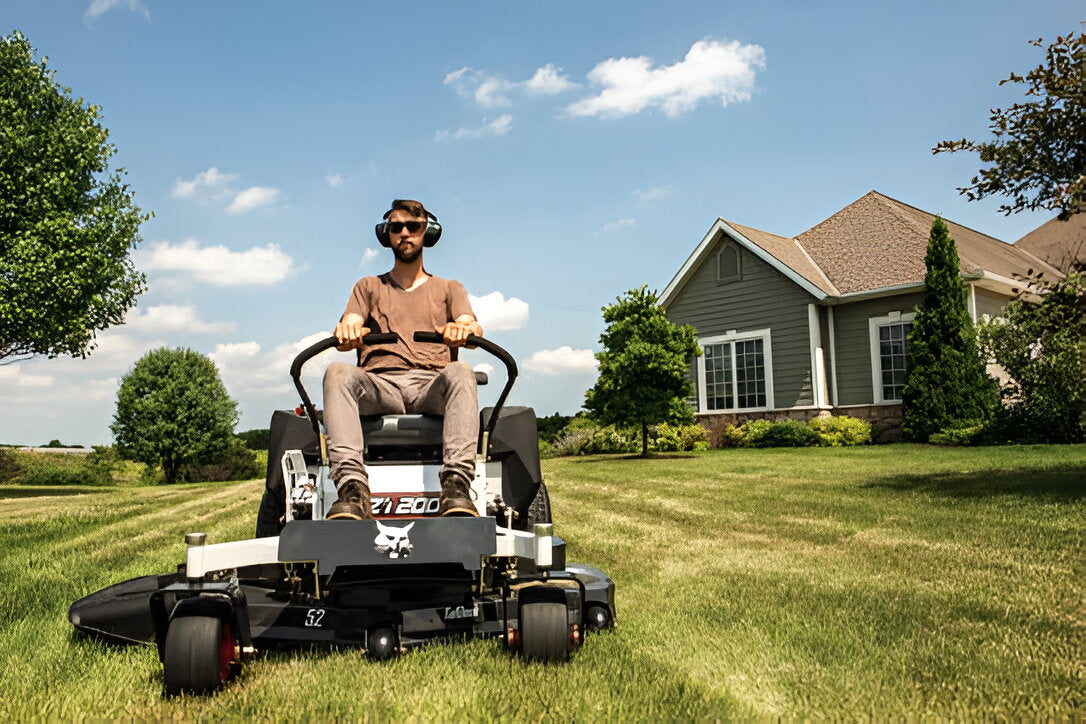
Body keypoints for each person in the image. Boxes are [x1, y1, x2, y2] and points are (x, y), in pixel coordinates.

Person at [322, 199, 482, 520]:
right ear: (386, 235)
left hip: (431, 385)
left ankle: (456, 486)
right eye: (397, 227)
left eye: (414, 227)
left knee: (462, 371)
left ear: (428, 233)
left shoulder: (449, 288)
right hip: (380, 385)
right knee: (338, 372)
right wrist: (349, 327)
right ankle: (352, 489)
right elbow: (350, 321)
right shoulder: (368, 287)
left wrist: (462, 328)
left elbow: (471, 323)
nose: (405, 233)